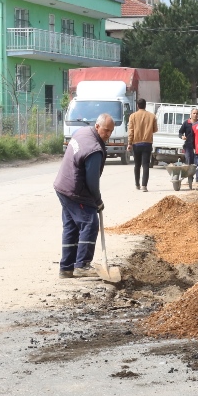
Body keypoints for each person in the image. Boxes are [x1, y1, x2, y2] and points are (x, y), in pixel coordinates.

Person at [53, 112, 115, 278]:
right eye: (106, 130)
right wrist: (97, 200)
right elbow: (92, 180)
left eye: (111, 131)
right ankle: (82, 265)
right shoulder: (94, 150)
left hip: (62, 186)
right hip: (74, 190)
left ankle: (66, 268)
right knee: (90, 222)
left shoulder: (83, 132)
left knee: (71, 226)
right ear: (97, 126)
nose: (108, 134)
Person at [127, 98, 158, 192]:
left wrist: (129, 143)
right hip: (147, 143)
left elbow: (131, 131)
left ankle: (137, 184)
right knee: (145, 164)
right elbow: (155, 129)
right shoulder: (152, 116)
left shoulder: (132, 116)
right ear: (145, 105)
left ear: (137, 105)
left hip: (136, 143)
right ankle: (144, 186)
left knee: (137, 165)